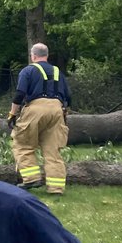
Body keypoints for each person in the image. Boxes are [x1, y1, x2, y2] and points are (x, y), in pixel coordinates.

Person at [7, 43, 72, 194]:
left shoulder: (28, 71)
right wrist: (64, 113)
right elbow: (69, 96)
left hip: (36, 107)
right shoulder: (58, 72)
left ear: (33, 56)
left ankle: (31, 179)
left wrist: (12, 114)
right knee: (53, 150)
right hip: (57, 109)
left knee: (22, 144)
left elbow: (19, 94)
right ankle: (56, 188)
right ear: (47, 56)